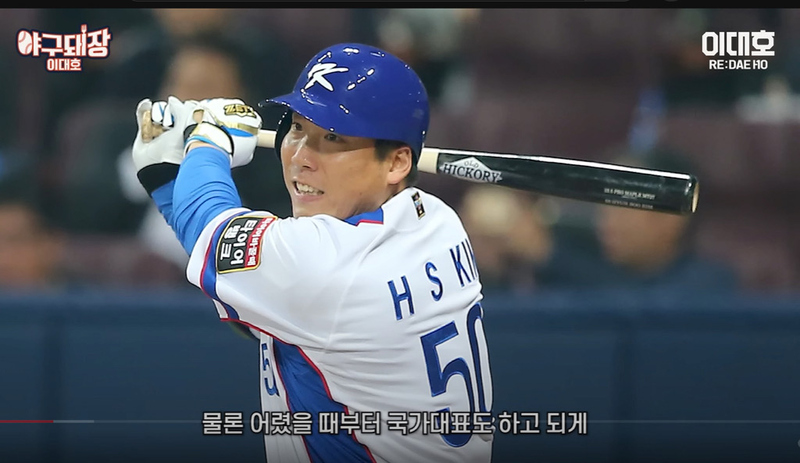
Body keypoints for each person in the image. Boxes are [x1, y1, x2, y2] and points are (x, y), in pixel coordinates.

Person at [130, 43, 493, 462]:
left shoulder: (332, 267)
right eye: (298, 129)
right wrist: (168, 179)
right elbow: (268, 306)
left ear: (396, 163)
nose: (301, 157)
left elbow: (212, 231)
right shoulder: (439, 222)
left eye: (333, 138)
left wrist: (207, 141)